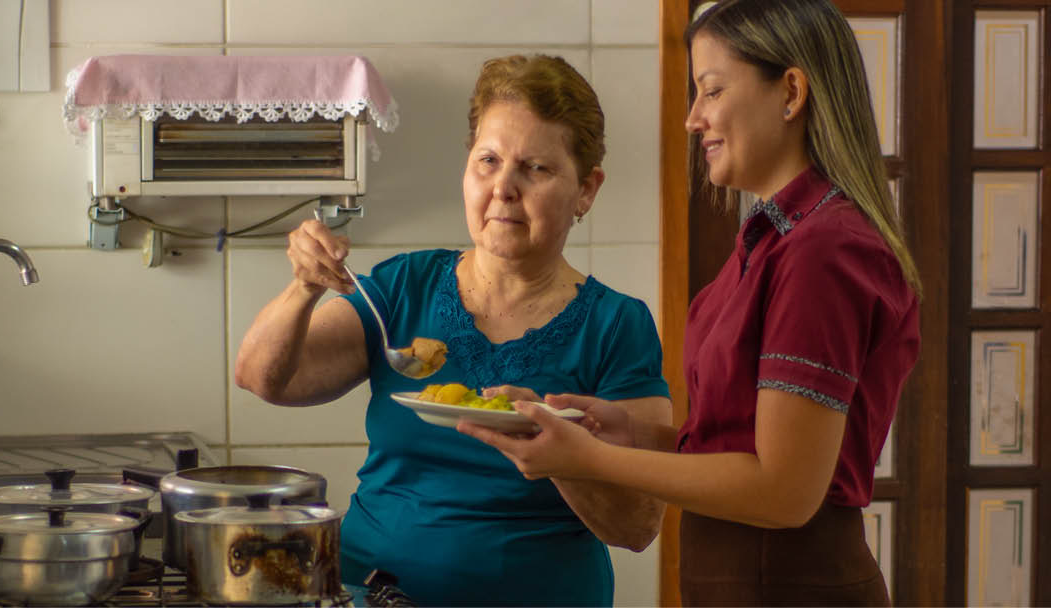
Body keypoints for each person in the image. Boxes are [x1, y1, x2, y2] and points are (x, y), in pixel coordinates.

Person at [458, 1, 921, 605]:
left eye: (711, 91)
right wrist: (636, 435)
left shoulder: (823, 250)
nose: (692, 119)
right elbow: (748, 451)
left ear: (790, 93)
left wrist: (587, 459)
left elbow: (784, 490)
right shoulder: (776, 241)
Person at [234, 54, 672, 606]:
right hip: (372, 593)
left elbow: (637, 527)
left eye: (536, 168)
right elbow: (262, 377)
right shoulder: (402, 288)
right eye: (488, 161)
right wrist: (303, 287)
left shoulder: (618, 326)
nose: (504, 188)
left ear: (586, 190)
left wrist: (563, 457)